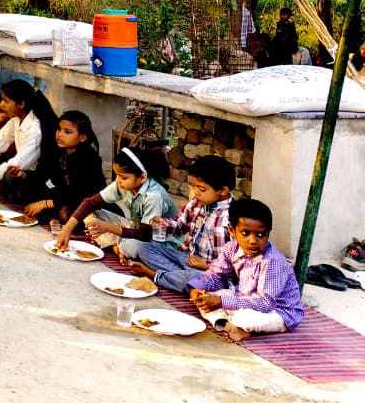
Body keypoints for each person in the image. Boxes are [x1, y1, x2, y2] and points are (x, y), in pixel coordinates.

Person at [188, 198, 303, 342]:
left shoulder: (272, 261)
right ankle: (227, 323)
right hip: (245, 300)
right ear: (232, 230)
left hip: (278, 312)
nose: (253, 241)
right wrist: (196, 290)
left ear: (268, 233)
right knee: (207, 297)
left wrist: (222, 302)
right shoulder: (231, 248)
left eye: (260, 234)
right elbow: (216, 275)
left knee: (245, 317)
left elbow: (266, 303)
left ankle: (238, 326)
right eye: (245, 233)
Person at [127, 156, 234, 292]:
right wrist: (165, 223)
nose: (196, 192)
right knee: (145, 249)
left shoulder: (233, 216)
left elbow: (234, 261)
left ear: (223, 191)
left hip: (211, 271)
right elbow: (180, 225)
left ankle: (158, 275)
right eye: (194, 186)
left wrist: (207, 266)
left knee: (197, 278)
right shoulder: (197, 202)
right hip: (186, 259)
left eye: (201, 188)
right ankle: (178, 278)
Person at [54, 145, 177, 258]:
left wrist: (109, 228)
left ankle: (116, 245)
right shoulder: (123, 184)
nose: (118, 181)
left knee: (131, 248)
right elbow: (90, 203)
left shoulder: (153, 196)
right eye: (117, 175)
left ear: (142, 177)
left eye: (123, 177)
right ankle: (116, 246)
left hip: (158, 241)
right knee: (90, 216)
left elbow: (145, 234)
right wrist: (67, 229)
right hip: (135, 228)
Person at [20, 110, 106, 225]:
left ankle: (55, 217)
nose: (60, 134)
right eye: (59, 129)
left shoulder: (89, 158)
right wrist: (23, 174)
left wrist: (43, 204)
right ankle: (52, 216)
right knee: (27, 188)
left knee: (66, 214)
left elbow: (77, 194)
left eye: (68, 132)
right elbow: (43, 174)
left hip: (85, 201)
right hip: (62, 195)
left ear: (83, 137)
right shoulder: (58, 151)